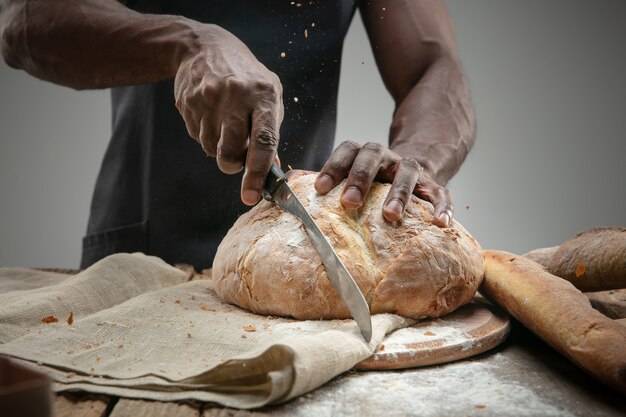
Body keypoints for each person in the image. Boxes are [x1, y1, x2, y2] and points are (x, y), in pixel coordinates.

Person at [0, 0, 475, 270]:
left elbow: (433, 67)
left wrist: (415, 160)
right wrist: (185, 43)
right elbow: (22, 18)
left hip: (303, 257)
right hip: (140, 260)